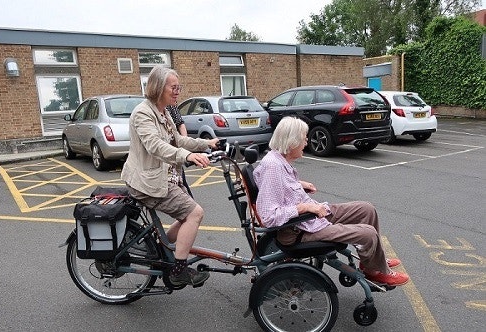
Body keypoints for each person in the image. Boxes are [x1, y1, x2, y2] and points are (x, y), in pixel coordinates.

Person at [253, 117, 409, 286]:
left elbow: (276, 187)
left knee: (367, 209)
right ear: (292, 142)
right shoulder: (273, 167)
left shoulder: (277, 160)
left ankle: (371, 261)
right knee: (368, 233)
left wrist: (298, 184)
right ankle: (375, 271)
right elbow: (269, 216)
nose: (307, 141)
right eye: (304, 138)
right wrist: (305, 207)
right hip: (298, 230)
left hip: (308, 220)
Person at [121, 66, 219, 287]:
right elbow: (155, 146)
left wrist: (206, 144)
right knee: (195, 214)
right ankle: (178, 270)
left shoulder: (163, 112)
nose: (177, 92)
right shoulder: (143, 113)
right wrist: (187, 156)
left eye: (179, 88)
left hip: (163, 176)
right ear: (158, 88)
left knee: (187, 217)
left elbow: (178, 140)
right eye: (174, 88)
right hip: (147, 181)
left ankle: (158, 245)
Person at [167, 104, 193, 197]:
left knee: (180, 178)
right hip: (162, 153)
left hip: (174, 149)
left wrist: (184, 144)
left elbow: (180, 124)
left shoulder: (171, 106)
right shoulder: (150, 110)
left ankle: (189, 200)